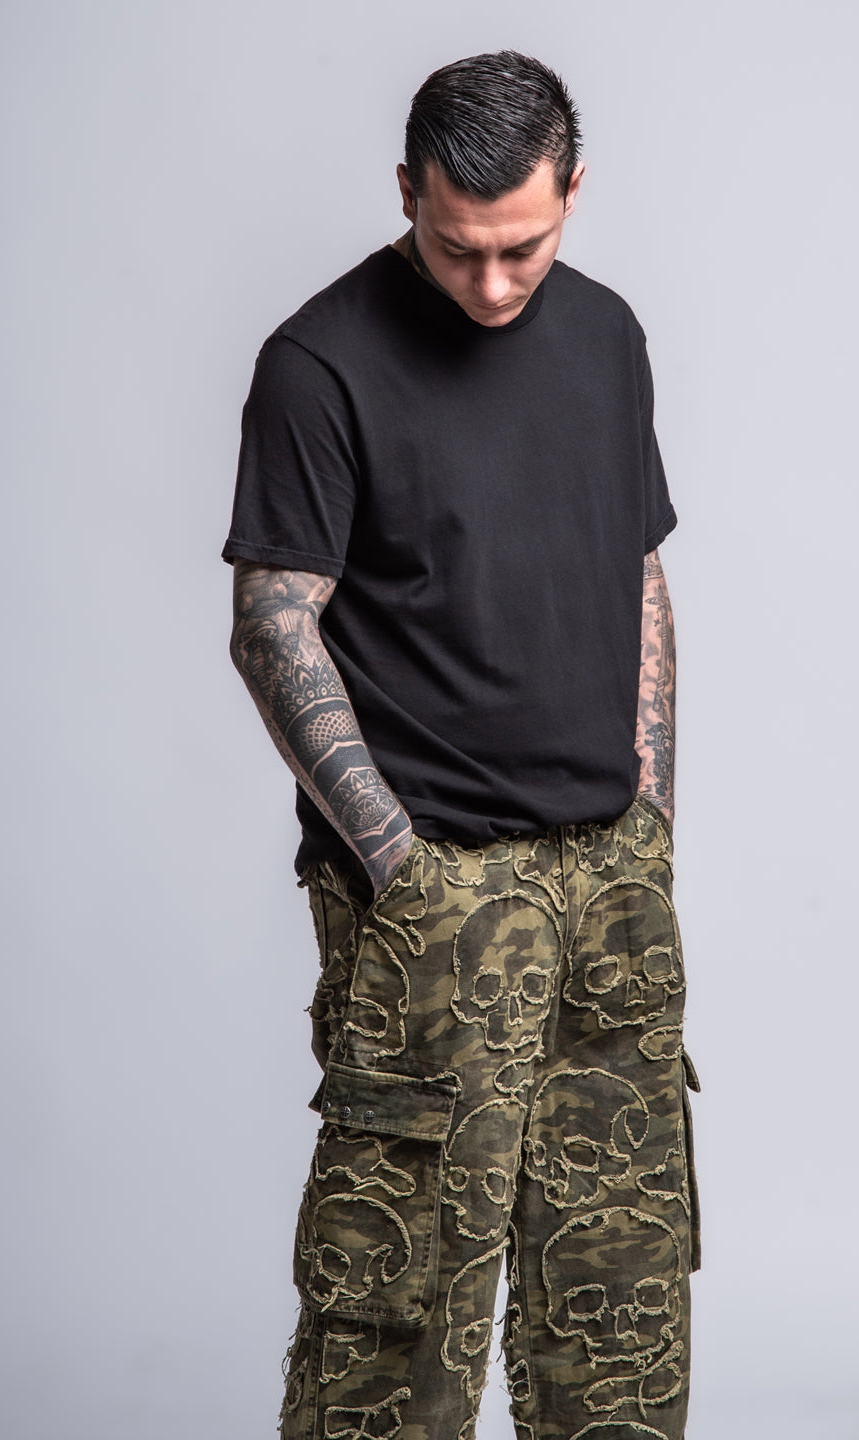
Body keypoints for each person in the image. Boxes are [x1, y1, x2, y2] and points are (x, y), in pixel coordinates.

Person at [224, 50, 698, 1440]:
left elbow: (642, 579)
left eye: (522, 248)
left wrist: (653, 819)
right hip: (437, 892)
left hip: (610, 879)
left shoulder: (607, 335)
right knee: (396, 1331)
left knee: (619, 1304)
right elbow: (273, 623)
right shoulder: (318, 363)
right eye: (457, 247)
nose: (492, 284)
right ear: (406, 194)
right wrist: (399, 868)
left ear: (574, 193)